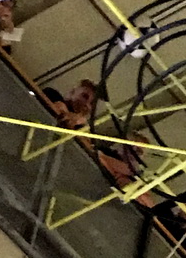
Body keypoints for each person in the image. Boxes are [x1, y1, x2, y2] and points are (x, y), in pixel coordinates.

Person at [45, 81, 156, 209]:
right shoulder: (53, 94)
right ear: (72, 92)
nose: (86, 104)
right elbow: (59, 110)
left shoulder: (86, 130)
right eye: (85, 96)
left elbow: (149, 204)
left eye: (92, 103)